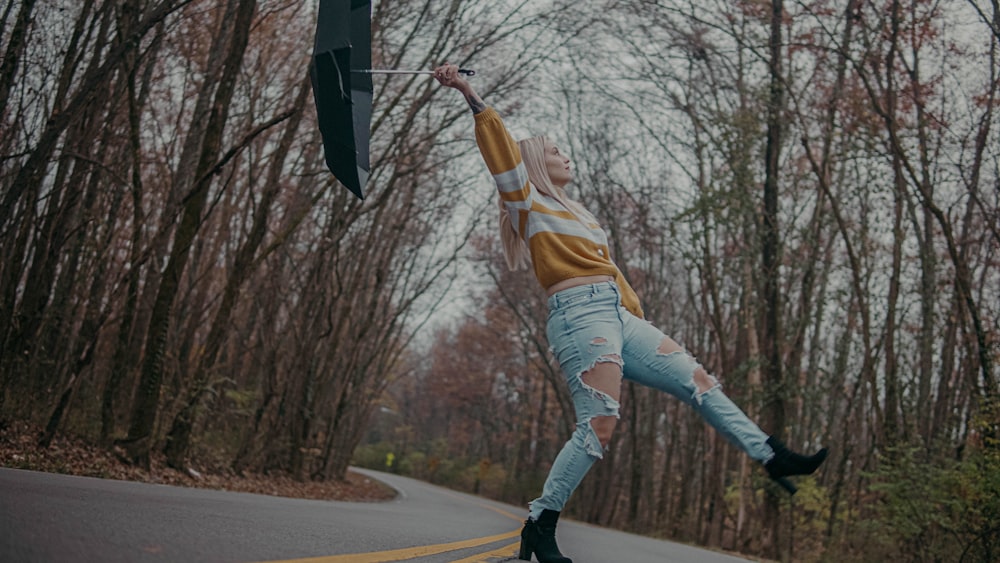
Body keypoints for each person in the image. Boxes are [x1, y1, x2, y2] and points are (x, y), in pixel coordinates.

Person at [433, 63, 828, 563]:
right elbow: (499, 152)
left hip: (617, 316)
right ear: (535, 162)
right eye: (556, 151)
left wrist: (635, 321)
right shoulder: (525, 200)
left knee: (699, 379)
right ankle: (540, 523)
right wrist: (468, 92)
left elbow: (614, 275)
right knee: (600, 424)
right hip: (579, 316)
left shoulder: (583, 214)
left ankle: (772, 455)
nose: (565, 156)